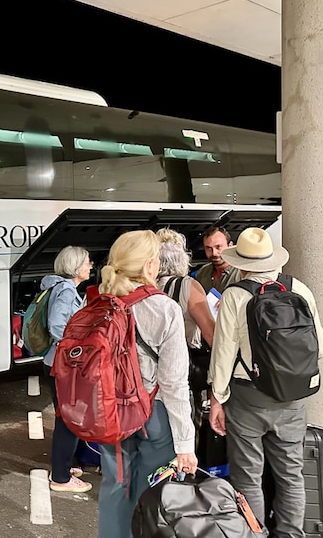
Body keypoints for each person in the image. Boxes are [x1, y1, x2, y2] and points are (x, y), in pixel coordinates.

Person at [208, 227, 323, 538]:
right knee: (291, 474)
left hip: (248, 397)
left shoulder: (236, 295)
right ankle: (291, 534)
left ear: (241, 263)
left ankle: (255, 533)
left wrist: (217, 399)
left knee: (248, 475)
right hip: (293, 397)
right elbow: (321, 347)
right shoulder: (299, 288)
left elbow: (223, 354)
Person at [97, 230, 197, 538]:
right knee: (153, 492)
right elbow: (174, 383)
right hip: (153, 414)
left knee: (114, 488)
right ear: (150, 265)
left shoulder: (99, 303)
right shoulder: (164, 308)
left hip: (110, 412)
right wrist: (185, 444)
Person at [40, 245, 93, 492]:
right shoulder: (67, 290)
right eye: (87, 262)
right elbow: (56, 326)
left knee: (67, 418)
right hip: (63, 365)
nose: (90, 266)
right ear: (76, 266)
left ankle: (64, 467)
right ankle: (61, 477)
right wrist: (77, 347)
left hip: (54, 362)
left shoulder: (58, 287)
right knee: (68, 420)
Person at [156, 228, 216, 425]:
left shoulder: (143, 287)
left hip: (150, 371)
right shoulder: (187, 285)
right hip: (184, 371)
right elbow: (210, 333)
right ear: (182, 258)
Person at [194, 226, 241, 294]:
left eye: (218, 247)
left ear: (230, 246)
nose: (214, 253)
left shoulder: (241, 272)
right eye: (209, 248)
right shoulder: (203, 272)